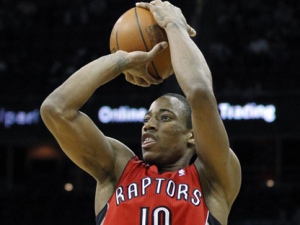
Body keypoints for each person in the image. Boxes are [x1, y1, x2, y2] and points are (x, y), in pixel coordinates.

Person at [40, 0, 241, 224]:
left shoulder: (211, 179)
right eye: (146, 119)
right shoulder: (117, 170)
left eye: (165, 117)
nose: (149, 125)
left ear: (192, 135)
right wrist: (120, 60)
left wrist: (174, 24)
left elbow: (200, 93)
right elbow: (56, 109)